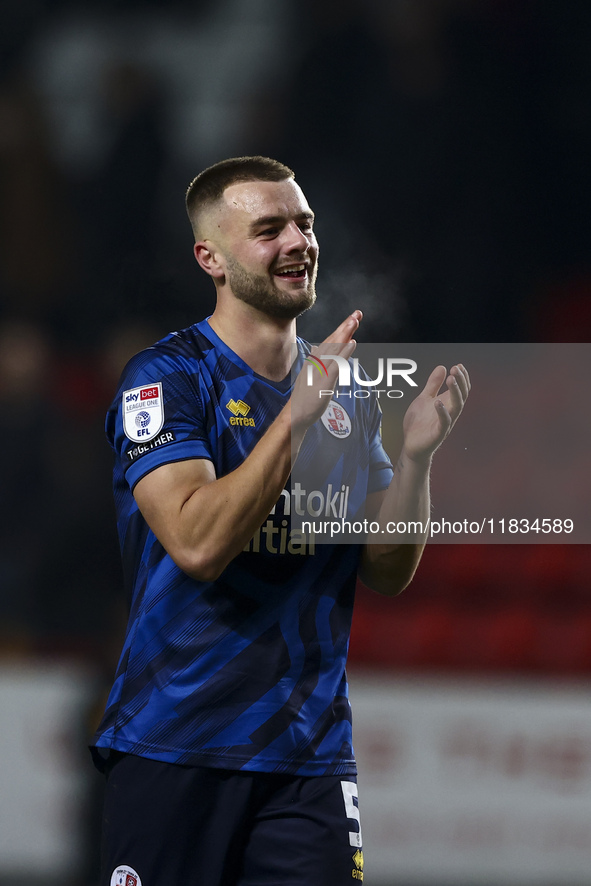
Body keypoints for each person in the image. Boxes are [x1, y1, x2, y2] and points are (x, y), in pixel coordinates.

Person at [91, 156, 470, 886]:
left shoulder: (346, 391)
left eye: (304, 223)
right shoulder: (166, 379)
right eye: (268, 230)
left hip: (309, 757)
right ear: (212, 258)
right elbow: (198, 543)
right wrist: (296, 419)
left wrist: (416, 459)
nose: (297, 241)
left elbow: (386, 571)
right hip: (177, 746)